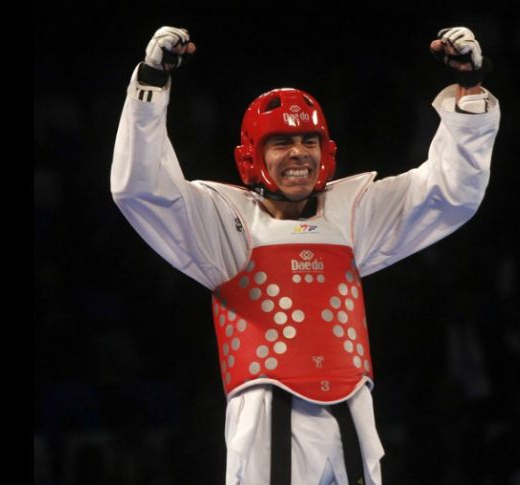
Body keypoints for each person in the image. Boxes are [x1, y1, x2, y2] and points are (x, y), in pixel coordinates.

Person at [111, 24, 500, 485]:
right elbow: (140, 190)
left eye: (308, 141)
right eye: (281, 142)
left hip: (352, 406)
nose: (299, 153)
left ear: (326, 151)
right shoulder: (227, 224)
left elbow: (450, 194)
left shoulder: (353, 214)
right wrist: (151, 86)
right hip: (267, 411)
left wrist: (469, 92)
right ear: (252, 156)